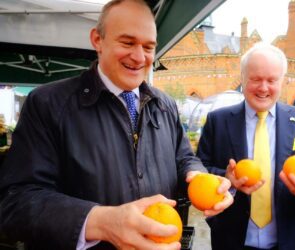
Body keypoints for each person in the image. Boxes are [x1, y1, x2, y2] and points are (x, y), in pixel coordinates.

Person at [0, 1, 233, 249]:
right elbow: (16, 202)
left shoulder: (164, 104)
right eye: (128, 42)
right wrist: (99, 221)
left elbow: (184, 157)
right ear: (97, 40)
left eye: (148, 46)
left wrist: (196, 175)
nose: (139, 56)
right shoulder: (48, 104)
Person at [196, 42, 295, 250]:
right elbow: (200, 170)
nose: (263, 88)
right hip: (231, 241)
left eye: (272, 80)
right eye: (255, 79)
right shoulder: (218, 121)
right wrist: (226, 180)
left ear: (283, 81)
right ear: (243, 79)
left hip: (291, 243)